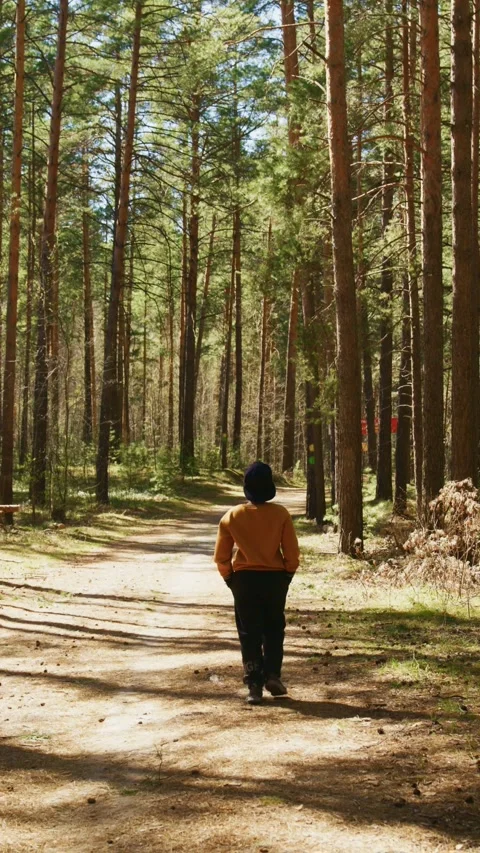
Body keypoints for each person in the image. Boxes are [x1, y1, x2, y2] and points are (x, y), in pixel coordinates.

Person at [214, 461, 300, 705]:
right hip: (274, 579)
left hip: (244, 579)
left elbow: (221, 557)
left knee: (248, 631)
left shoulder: (232, 516)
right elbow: (291, 554)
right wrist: (287, 575)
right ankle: (273, 674)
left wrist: (230, 578)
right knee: (274, 627)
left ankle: (253, 685)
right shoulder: (281, 514)